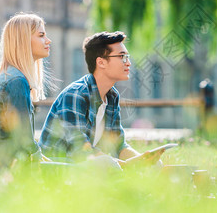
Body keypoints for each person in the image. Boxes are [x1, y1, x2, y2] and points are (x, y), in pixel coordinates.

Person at [39, 31, 162, 168]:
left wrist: (143, 159)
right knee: (108, 164)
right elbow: (80, 150)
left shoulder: (112, 96)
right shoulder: (75, 94)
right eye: (122, 57)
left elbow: (118, 145)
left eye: (127, 57)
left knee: (155, 165)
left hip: (88, 166)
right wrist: (123, 165)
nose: (128, 63)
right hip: (59, 167)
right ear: (101, 62)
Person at [0, 13, 53, 181]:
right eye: (41, 35)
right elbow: (23, 140)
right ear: (23, 40)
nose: (48, 40)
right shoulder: (16, 81)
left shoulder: (13, 77)